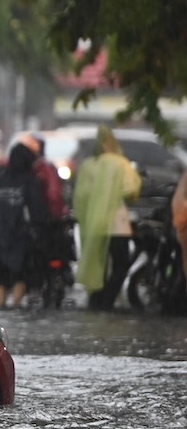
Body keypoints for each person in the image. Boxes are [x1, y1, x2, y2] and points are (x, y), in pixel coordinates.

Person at [72, 124, 142, 311]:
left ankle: (96, 298)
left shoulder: (88, 165)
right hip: (117, 223)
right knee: (120, 263)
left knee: (97, 262)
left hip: (94, 223)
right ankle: (108, 300)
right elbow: (131, 189)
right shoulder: (120, 163)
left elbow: (80, 196)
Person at [0, 141, 49, 309]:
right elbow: (37, 210)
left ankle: (1, 307)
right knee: (20, 277)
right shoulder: (31, 181)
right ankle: (16, 306)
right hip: (19, 237)